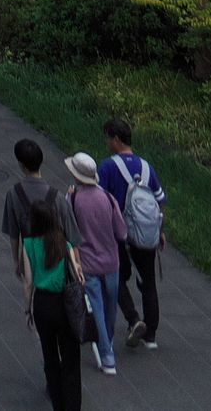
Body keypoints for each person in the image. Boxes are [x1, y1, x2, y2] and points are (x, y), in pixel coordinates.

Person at [3, 137, 82, 411]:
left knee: (49, 355)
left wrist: (16, 262)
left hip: (42, 301)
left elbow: (14, 234)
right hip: (65, 298)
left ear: (21, 165)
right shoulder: (58, 198)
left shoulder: (14, 196)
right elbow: (74, 242)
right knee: (71, 358)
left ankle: (56, 398)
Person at [99, 121, 165, 350]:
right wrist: (160, 231)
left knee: (115, 276)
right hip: (146, 234)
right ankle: (151, 335)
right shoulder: (147, 167)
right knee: (148, 281)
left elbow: (101, 201)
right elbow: (159, 200)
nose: (107, 142)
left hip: (118, 235)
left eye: (108, 138)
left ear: (116, 139)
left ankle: (133, 319)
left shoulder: (107, 167)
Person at [63, 153, 127, 374]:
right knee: (111, 307)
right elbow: (122, 232)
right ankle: (108, 340)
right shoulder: (108, 198)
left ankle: (107, 355)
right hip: (111, 263)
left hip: (88, 264)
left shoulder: (73, 199)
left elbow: (68, 230)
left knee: (96, 307)